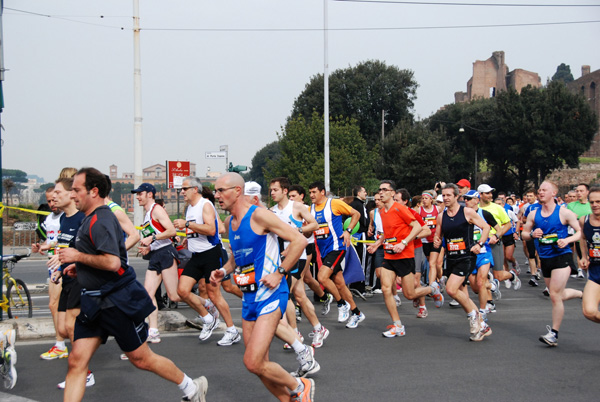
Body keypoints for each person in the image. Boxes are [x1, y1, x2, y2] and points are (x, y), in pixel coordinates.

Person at [58, 168, 207, 402]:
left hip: (115, 302)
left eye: (77, 190)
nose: (72, 194)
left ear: (93, 191)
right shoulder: (89, 217)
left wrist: (78, 257)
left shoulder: (101, 219)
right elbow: (103, 257)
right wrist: (83, 268)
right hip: (93, 302)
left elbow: (112, 261)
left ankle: (191, 387)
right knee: (77, 360)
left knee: (141, 359)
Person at [211, 173, 315, 402]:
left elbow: (298, 240)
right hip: (249, 299)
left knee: (252, 361)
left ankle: (300, 384)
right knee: (257, 365)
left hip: (270, 295)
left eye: (221, 190)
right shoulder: (230, 223)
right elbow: (238, 257)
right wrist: (224, 271)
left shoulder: (259, 215)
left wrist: (280, 273)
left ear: (237, 191)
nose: (217, 195)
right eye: (215, 191)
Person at [368, 181, 441, 337]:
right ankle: (398, 325)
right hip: (389, 255)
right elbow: (387, 233)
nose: (381, 193)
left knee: (409, 294)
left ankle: (432, 289)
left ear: (392, 193)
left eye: (384, 190)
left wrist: (404, 242)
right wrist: (377, 244)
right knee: (386, 289)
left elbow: (417, 227)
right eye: (379, 190)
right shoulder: (381, 212)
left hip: (404, 256)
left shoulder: (400, 208)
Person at [173, 177, 240, 346]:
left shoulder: (205, 205)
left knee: (215, 294)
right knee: (182, 291)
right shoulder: (189, 208)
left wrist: (187, 224)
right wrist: (190, 237)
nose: (182, 192)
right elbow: (197, 230)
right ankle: (208, 317)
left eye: (184, 188)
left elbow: (211, 229)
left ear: (195, 189)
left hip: (211, 254)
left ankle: (232, 330)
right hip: (196, 255)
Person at [522, 181, 583, 347]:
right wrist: (532, 233)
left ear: (553, 193)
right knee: (556, 294)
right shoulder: (534, 214)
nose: (540, 192)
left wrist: (567, 240)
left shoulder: (564, 213)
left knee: (555, 295)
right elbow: (524, 234)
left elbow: (579, 232)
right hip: (545, 258)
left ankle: (553, 334)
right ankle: (580, 294)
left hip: (562, 255)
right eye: (539, 190)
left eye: (544, 190)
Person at [269, 177, 328, 349]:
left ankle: (294, 333)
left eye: (275, 190)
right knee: (300, 296)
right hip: (281, 257)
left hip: (297, 256)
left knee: (285, 294)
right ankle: (318, 328)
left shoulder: (297, 207)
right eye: (271, 190)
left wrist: (298, 230)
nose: (272, 193)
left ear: (285, 191)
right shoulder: (271, 211)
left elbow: (315, 225)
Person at [46, 178, 91, 389]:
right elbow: (64, 247)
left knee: (72, 328)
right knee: (64, 330)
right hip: (65, 277)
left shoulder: (83, 219)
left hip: (79, 279)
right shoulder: (64, 218)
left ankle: (83, 373)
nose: (53, 196)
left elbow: (90, 251)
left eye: (57, 192)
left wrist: (74, 259)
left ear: (70, 194)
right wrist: (57, 267)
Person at [433, 184, 492, 342]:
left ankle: (474, 317)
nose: (445, 198)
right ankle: (482, 325)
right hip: (451, 258)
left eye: (448, 195)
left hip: (466, 257)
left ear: (456, 197)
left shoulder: (467, 212)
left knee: (451, 290)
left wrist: (479, 244)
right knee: (462, 294)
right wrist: (437, 241)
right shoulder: (441, 216)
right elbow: (438, 236)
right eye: (443, 196)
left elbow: (486, 227)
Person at [309, 181, 366, 328]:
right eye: (310, 192)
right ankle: (357, 313)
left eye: (314, 192)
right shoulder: (311, 209)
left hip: (337, 247)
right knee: (340, 284)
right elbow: (310, 231)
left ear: (322, 192)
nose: (311, 195)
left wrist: (348, 231)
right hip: (323, 251)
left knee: (322, 277)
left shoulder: (333, 204)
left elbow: (356, 214)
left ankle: (341, 304)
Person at [132, 183, 183, 344]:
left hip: (166, 253)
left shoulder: (157, 209)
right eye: (137, 194)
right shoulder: (148, 214)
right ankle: (153, 331)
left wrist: (152, 239)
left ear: (149, 194)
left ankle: (206, 306)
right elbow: (159, 235)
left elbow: (171, 231)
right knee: (148, 294)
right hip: (156, 255)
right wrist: (149, 247)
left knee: (174, 295)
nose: (137, 197)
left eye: (140, 194)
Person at [33, 186, 68, 360]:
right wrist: (42, 246)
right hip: (52, 265)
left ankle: (61, 344)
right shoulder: (49, 218)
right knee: (57, 306)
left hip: (63, 265)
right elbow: (50, 239)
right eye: (49, 201)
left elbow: (64, 241)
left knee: (55, 305)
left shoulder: (66, 217)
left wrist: (51, 246)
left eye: (54, 200)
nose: (52, 204)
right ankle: (62, 342)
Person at [288, 185, 333, 314]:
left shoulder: (307, 210)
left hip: (307, 247)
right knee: (307, 278)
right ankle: (325, 297)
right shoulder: (289, 210)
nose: (290, 199)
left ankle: (297, 307)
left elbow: (313, 229)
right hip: (294, 247)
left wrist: (302, 229)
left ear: (301, 196)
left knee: (298, 277)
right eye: (289, 196)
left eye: (293, 196)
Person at [578, 187, 600, 324]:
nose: (595, 205)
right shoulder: (584, 220)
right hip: (595, 271)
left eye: (598, 201)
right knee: (589, 311)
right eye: (592, 202)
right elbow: (582, 238)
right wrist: (584, 257)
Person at [567, 183, 592, 279]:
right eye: (577, 191)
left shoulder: (592, 205)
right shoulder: (571, 206)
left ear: (587, 192)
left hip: (593, 238)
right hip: (579, 238)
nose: (578, 193)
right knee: (585, 262)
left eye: (581, 191)